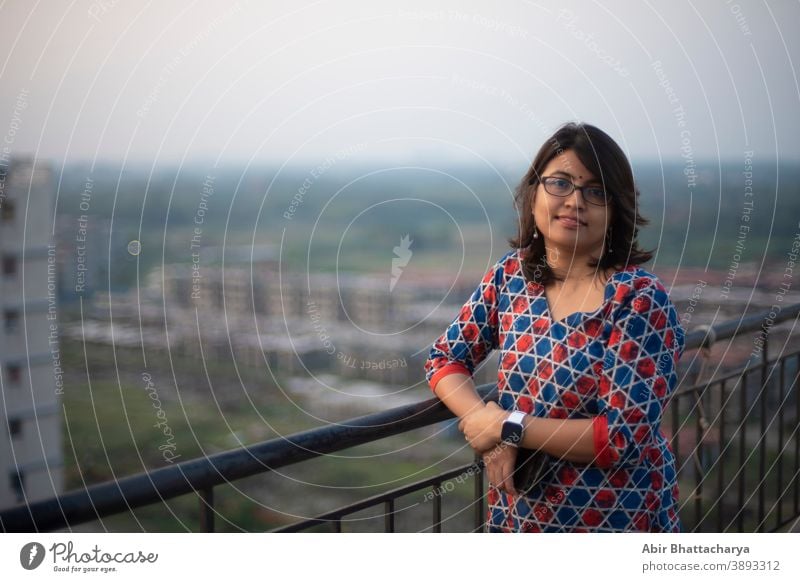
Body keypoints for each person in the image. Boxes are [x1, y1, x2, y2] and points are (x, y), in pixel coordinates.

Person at [423, 122, 685, 532]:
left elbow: (619, 437)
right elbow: (446, 357)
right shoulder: (512, 276)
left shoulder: (637, 301)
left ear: (617, 210)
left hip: (615, 518)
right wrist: (484, 421)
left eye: (596, 192)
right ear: (534, 194)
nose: (575, 202)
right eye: (560, 183)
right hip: (520, 517)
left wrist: (511, 428)